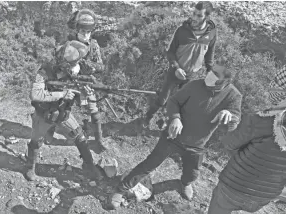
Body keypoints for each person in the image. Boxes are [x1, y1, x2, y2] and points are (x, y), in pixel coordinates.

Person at [109, 64, 242, 209]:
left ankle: (184, 184)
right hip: (173, 136)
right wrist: (175, 118)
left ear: (225, 81)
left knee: (192, 174)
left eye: (216, 73)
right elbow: (173, 101)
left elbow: (234, 122)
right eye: (211, 70)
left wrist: (230, 116)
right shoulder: (195, 85)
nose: (210, 73)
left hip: (197, 144)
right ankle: (120, 190)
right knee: (149, 164)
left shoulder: (233, 96)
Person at [207, 67, 286, 214]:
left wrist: (230, 122)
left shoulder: (263, 120)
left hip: (235, 186)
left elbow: (230, 143)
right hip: (264, 195)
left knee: (220, 207)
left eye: (276, 83)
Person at [26, 40, 102, 181]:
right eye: (73, 64)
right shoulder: (44, 72)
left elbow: (81, 103)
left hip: (63, 114)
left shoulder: (74, 75)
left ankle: (89, 166)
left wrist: (85, 94)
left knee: (80, 138)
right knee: (35, 142)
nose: (76, 67)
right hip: (44, 115)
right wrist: (61, 94)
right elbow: (35, 95)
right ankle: (30, 167)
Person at [143, 1, 217, 127]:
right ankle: (147, 118)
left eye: (199, 15)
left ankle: (166, 122)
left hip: (192, 75)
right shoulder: (182, 30)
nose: (194, 17)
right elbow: (170, 52)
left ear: (207, 17)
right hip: (174, 72)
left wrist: (211, 71)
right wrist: (176, 68)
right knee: (162, 99)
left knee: (180, 103)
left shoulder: (212, 33)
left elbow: (210, 55)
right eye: (194, 13)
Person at [46, 8, 105, 145]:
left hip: (86, 84)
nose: (86, 35)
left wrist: (91, 66)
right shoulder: (67, 43)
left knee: (95, 113)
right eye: (83, 31)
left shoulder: (94, 46)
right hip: (68, 83)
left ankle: (99, 141)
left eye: (88, 32)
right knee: (59, 110)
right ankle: (48, 134)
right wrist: (70, 65)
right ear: (77, 30)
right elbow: (57, 62)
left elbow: (101, 66)